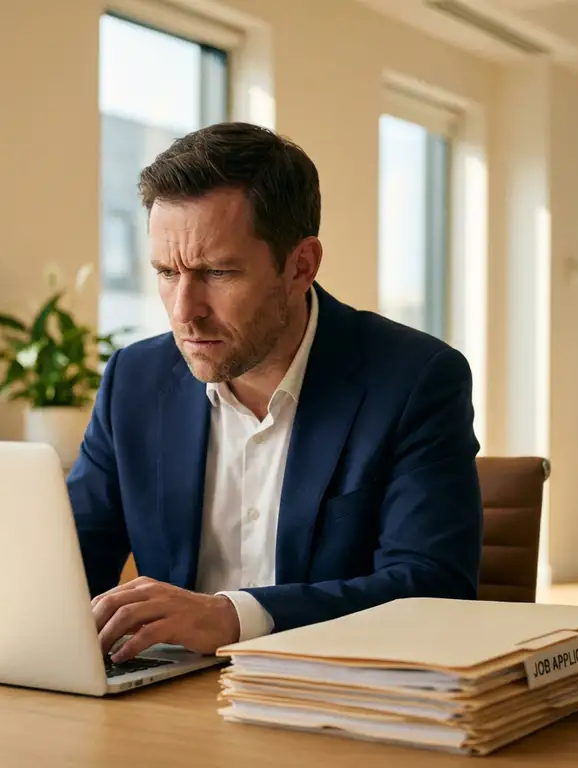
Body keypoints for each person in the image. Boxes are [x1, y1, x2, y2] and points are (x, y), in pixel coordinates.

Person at [67, 122, 483, 663]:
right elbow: (69, 564)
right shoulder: (134, 380)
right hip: (167, 705)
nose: (183, 311)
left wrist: (232, 617)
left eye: (217, 272)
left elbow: (434, 588)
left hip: (329, 702)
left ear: (300, 266)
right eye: (167, 272)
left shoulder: (415, 379)